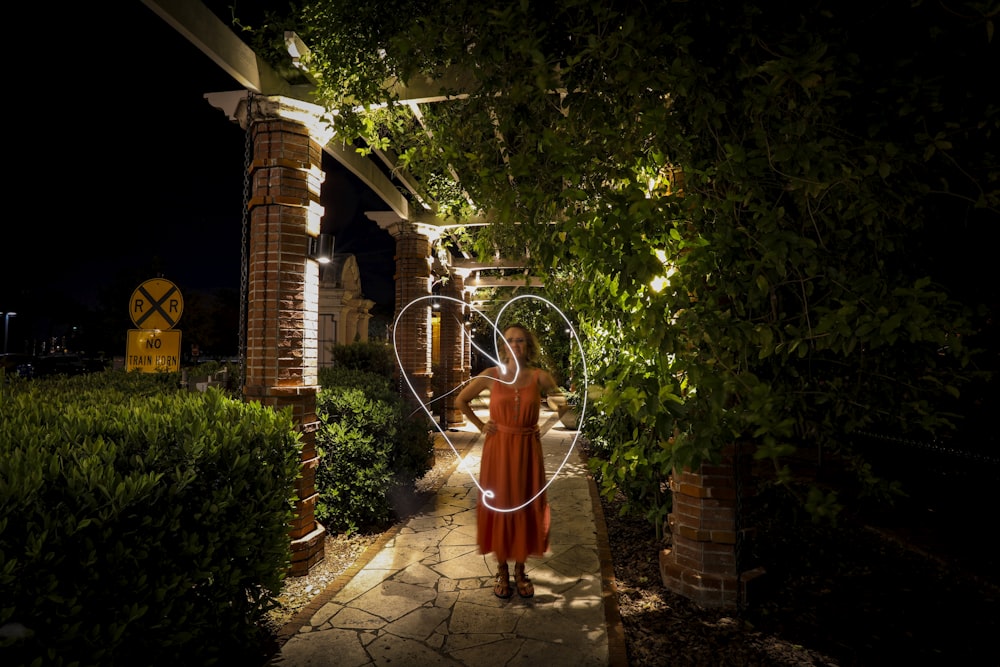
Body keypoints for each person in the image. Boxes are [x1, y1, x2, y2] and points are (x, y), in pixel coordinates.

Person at [456, 323, 562, 599]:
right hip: (499, 450)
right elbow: (461, 401)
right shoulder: (490, 375)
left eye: (521, 341)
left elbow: (561, 406)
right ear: (503, 346)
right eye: (510, 341)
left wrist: (565, 406)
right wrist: (482, 426)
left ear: (528, 346)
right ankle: (502, 570)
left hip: (527, 450)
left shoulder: (541, 377)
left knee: (525, 505)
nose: (515, 346)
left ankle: (520, 570)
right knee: (502, 505)